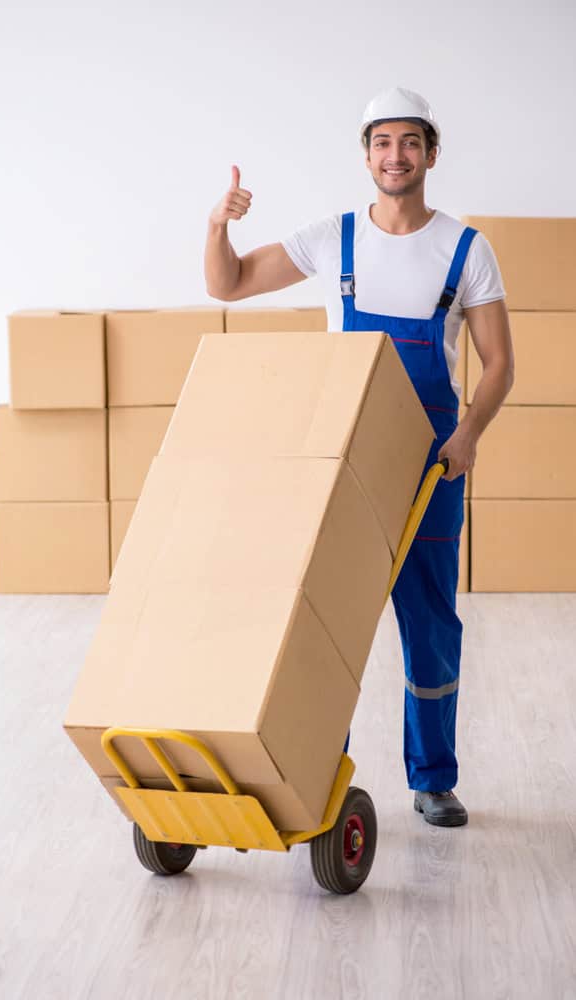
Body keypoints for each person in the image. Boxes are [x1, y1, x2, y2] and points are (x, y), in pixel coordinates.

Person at [204, 86, 514, 828]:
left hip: (429, 464)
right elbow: (230, 282)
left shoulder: (465, 249)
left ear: (430, 155)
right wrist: (218, 224)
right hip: (341, 464)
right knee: (326, 627)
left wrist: (467, 435)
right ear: (365, 155)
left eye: (409, 142)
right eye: (381, 143)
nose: (394, 155)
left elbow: (498, 362)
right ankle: (317, 773)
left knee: (430, 623)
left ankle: (433, 778)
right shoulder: (332, 238)